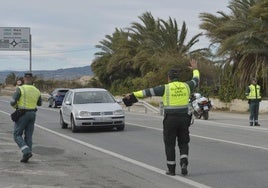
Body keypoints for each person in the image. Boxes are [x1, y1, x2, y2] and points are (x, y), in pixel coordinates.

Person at [123, 59, 200, 176]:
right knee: (183, 142)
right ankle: (184, 161)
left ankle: (171, 169)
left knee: (170, 144)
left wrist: (132, 95)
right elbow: (196, 80)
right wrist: (195, 69)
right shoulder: (187, 86)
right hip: (184, 119)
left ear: (169, 78)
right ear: (178, 78)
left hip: (170, 119)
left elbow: (146, 92)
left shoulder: (165, 88)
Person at [10, 72, 42, 163]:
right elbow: (39, 103)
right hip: (33, 114)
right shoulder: (37, 90)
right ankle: (26, 156)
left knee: (17, 135)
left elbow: (12, 102)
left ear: (24, 79)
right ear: (32, 80)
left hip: (22, 113)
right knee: (28, 136)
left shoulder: (20, 89)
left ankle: (26, 151)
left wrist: (16, 106)